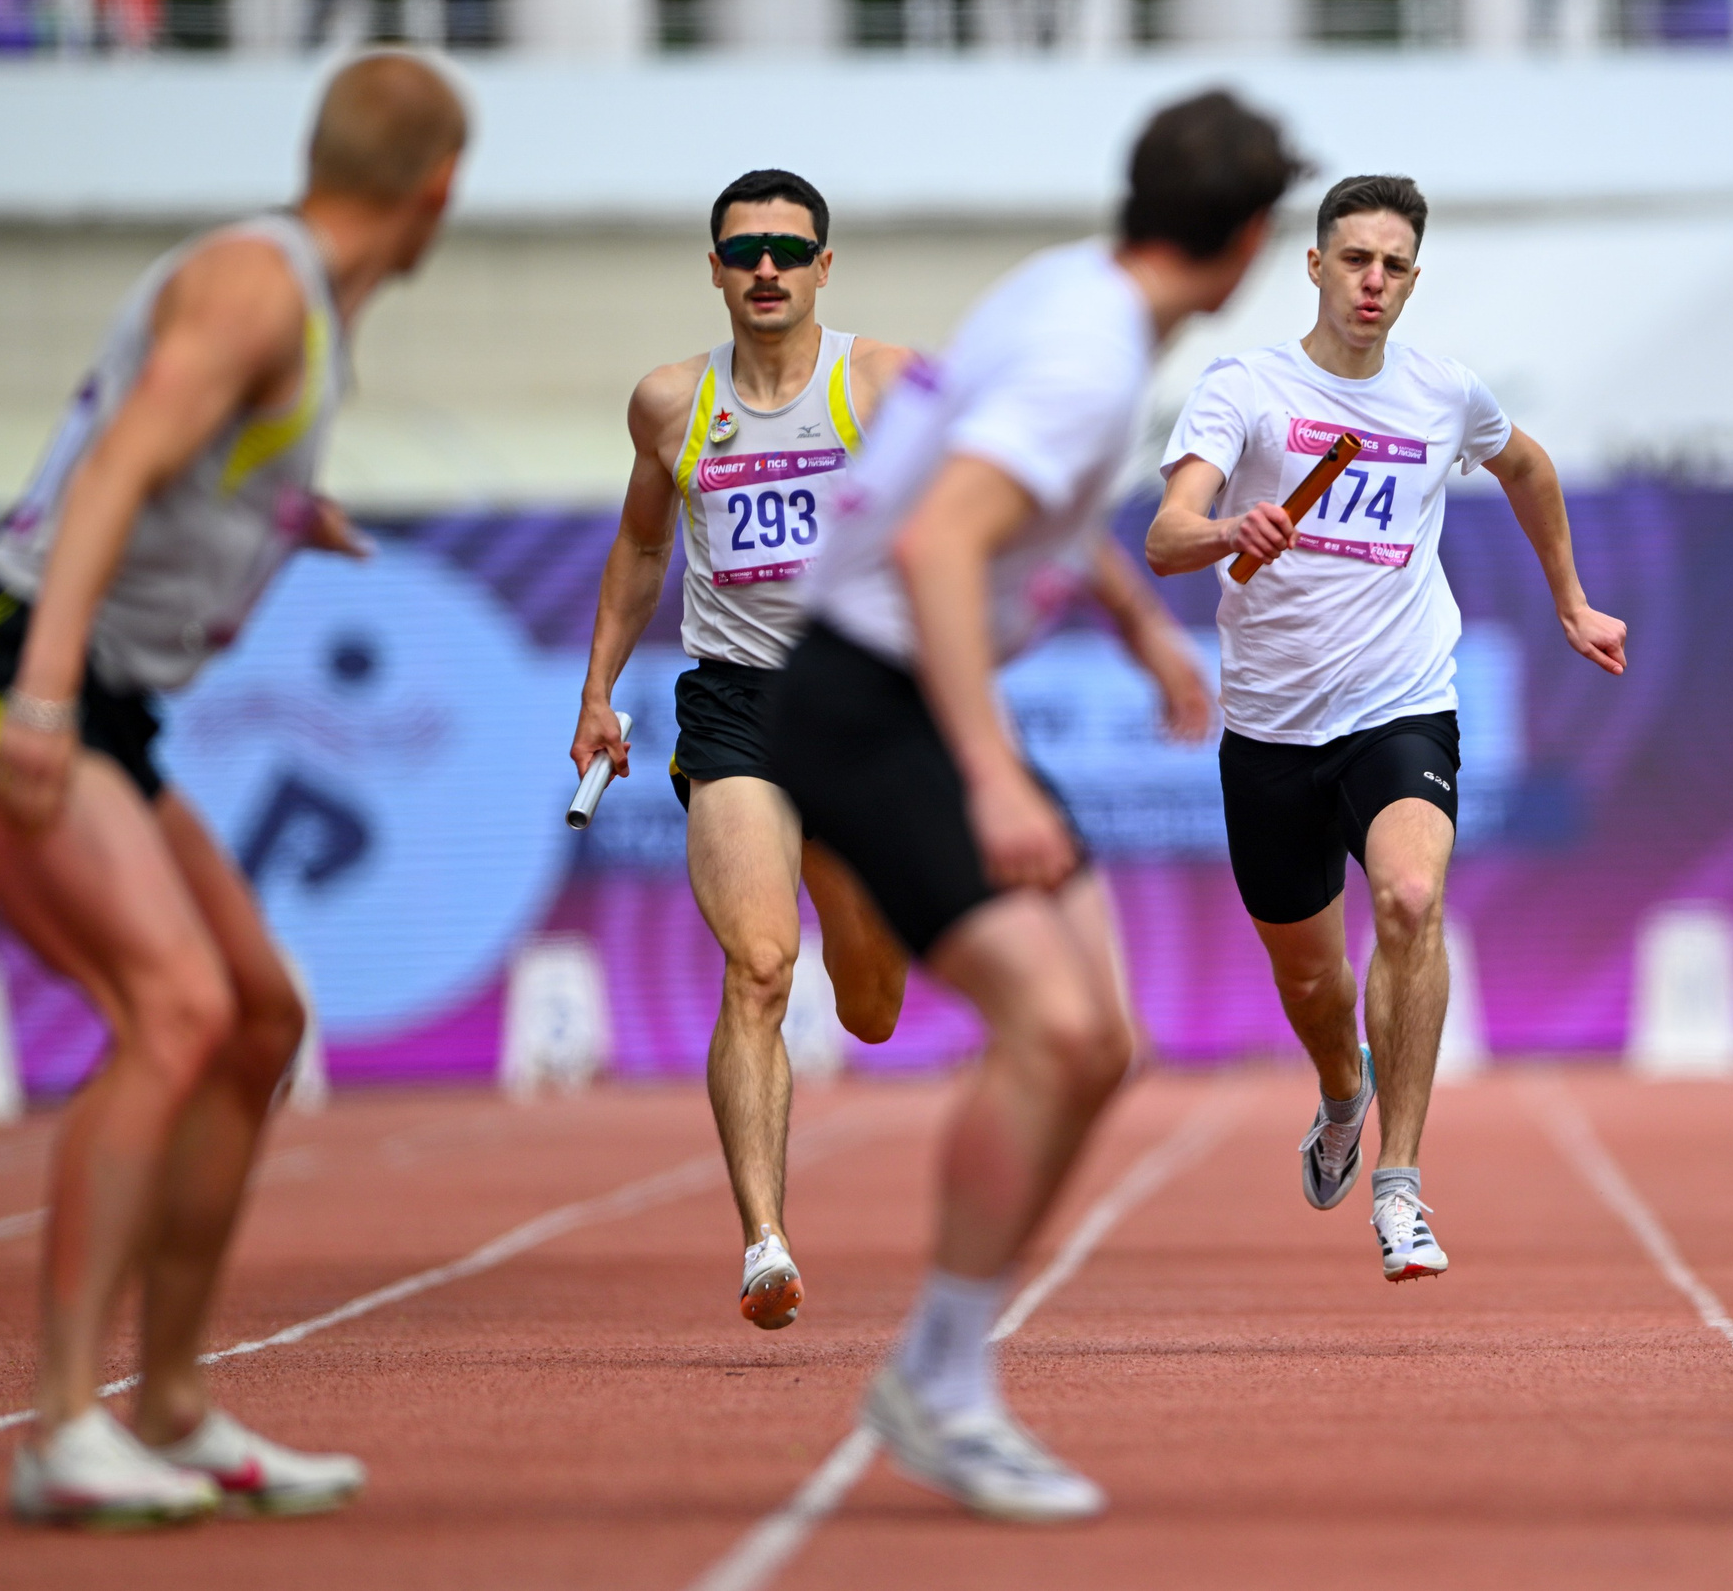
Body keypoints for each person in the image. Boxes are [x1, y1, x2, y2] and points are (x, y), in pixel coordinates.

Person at [765, 90, 1298, 1521]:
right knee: (1055, 1028)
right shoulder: (1089, 354)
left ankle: (943, 1367)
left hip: (889, 689)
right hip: (872, 705)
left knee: (1099, 1038)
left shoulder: (1064, 292)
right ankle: (942, 1379)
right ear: (1249, 240)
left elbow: (1010, 498)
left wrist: (1131, 619)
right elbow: (945, 539)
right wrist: (995, 772)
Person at [570, 169, 1207, 1334]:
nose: (766, 267)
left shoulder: (879, 382)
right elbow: (637, 549)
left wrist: (1143, 628)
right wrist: (598, 692)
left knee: (866, 1001)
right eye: (744, 249)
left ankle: (838, 874)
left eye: (788, 248)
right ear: (714, 269)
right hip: (737, 709)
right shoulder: (671, 404)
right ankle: (764, 1235)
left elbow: (1030, 494)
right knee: (760, 964)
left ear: (823, 266)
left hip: (859, 702)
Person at [0, 50, 466, 1527]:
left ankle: (171, 1405)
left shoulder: (302, 304)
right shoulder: (262, 285)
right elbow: (117, 466)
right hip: (16, 672)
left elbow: (176, 456)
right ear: (437, 191)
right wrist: (46, 696)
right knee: (173, 1008)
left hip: (111, 701)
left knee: (256, 1012)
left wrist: (278, 513)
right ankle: (63, 1422)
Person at [1145, 174, 1623, 1283]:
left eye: (1393, 265)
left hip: (1399, 699)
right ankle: (1340, 1088)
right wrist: (1227, 528)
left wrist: (1568, 598)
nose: (1372, 282)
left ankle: (1400, 1184)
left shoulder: (1441, 392)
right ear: (1312, 266)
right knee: (1312, 985)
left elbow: (1528, 466)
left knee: (1412, 897)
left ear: (1413, 279)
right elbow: (1166, 535)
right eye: (1354, 259)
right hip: (1270, 726)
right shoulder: (1247, 387)